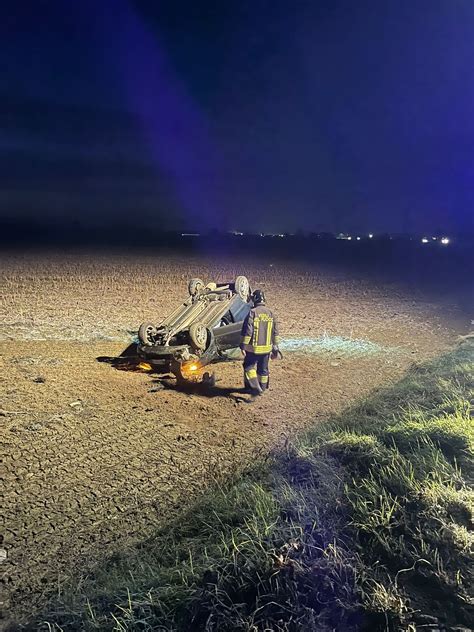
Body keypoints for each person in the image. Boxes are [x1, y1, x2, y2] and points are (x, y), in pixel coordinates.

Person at [240, 289, 280, 395]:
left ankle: (255, 386)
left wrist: (243, 346)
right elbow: (275, 332)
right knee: (263, 370)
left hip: (253, 349)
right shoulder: (271, 313)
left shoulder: (252, 313)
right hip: (267, 349)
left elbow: (248, 331)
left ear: (255, 300)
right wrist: (275, 349)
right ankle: (263, 388)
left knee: (249, 366)